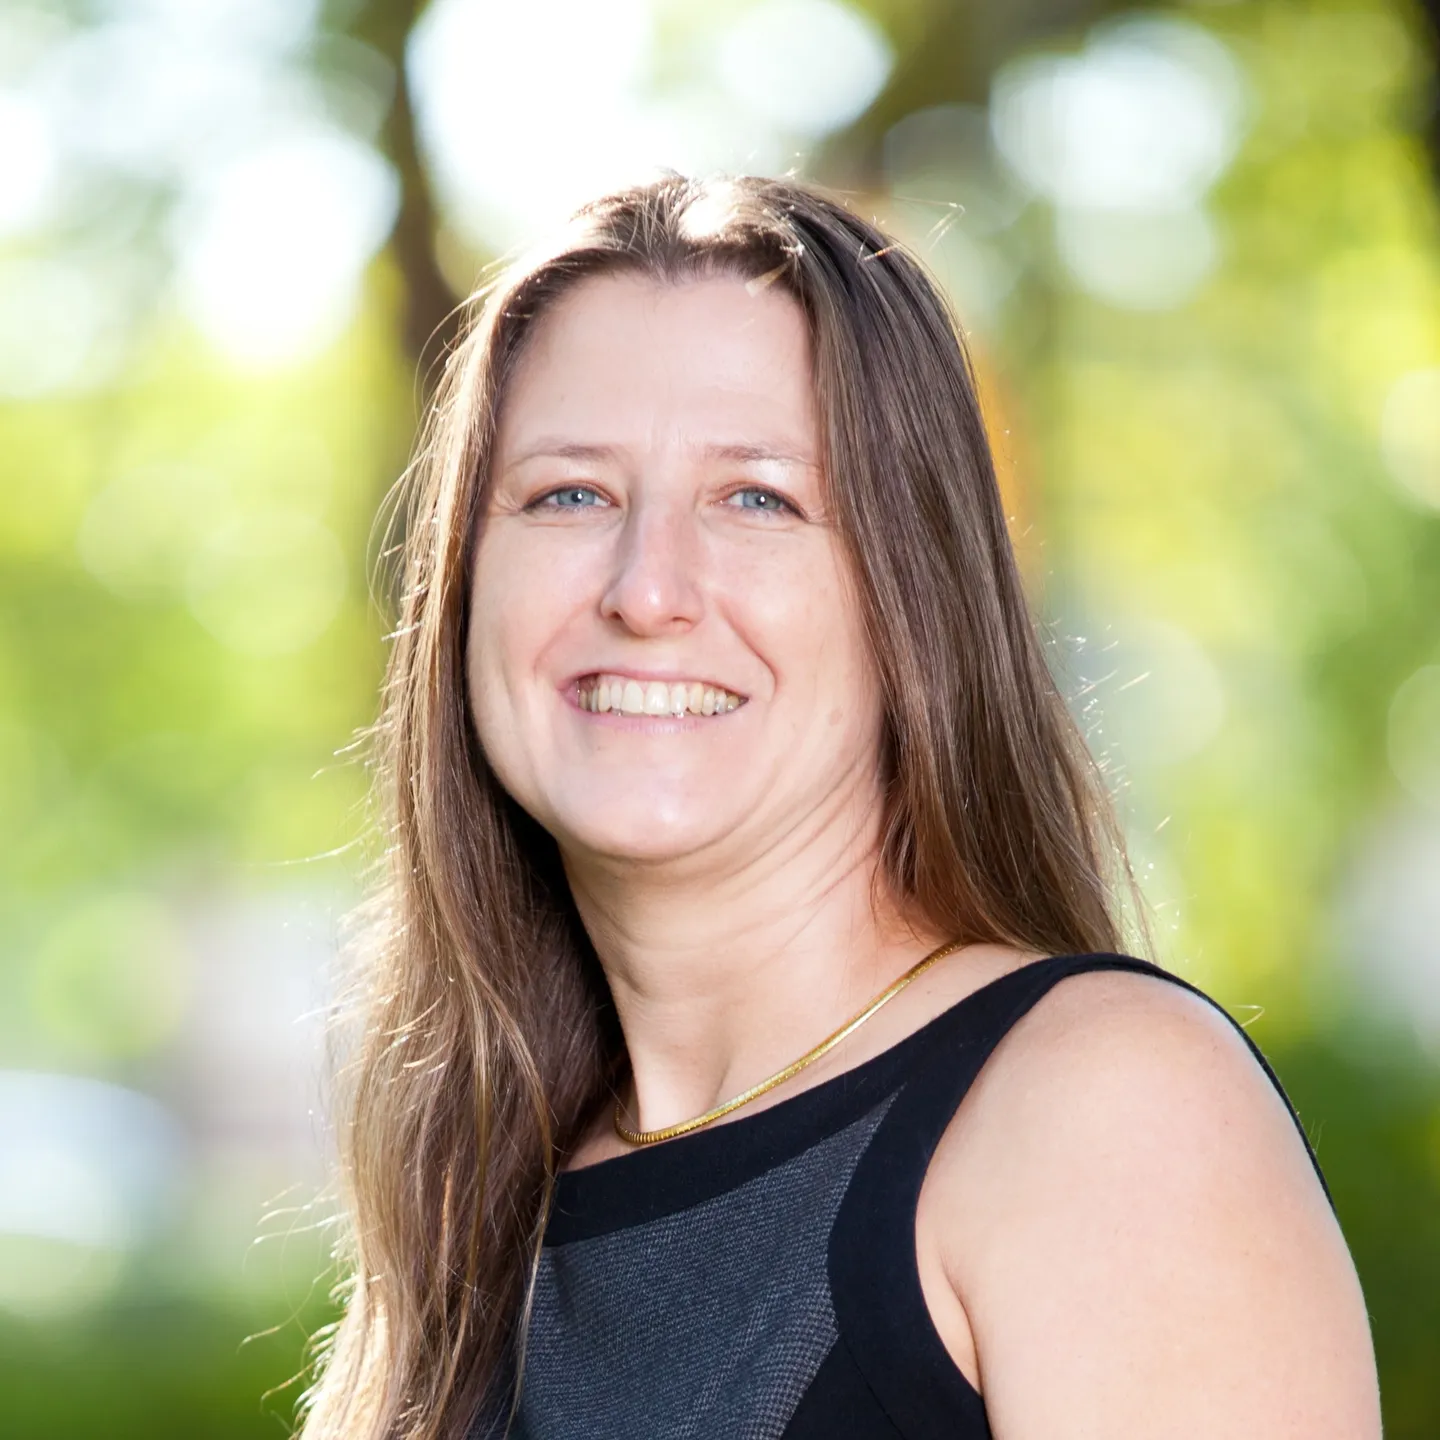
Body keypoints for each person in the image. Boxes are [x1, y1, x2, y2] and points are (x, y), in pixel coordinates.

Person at [299, 174, 1381, 1440]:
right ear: (463, 590)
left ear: (911, 602)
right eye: (568, 495)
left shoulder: (1099, 1113)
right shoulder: (476, 1195)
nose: (647, 590)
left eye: (758, 497)